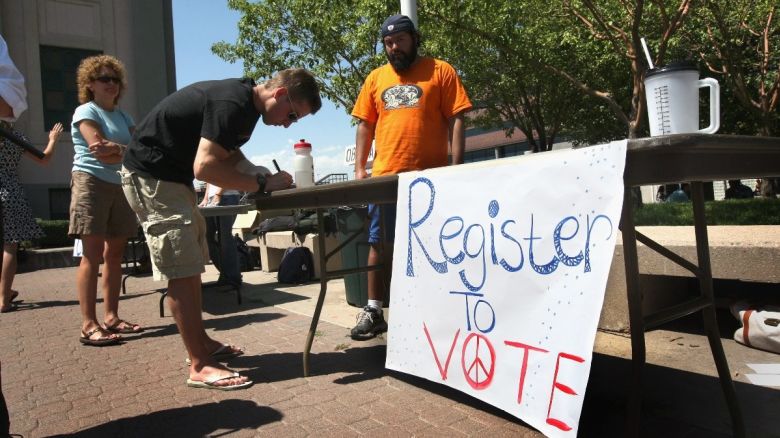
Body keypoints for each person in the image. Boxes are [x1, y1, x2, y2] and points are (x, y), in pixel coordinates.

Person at [121, 68, 321, 390]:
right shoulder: (233, 104)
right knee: (182, 269)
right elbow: (206, 167)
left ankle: (200, 343)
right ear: (281, 94)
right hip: (154, 178)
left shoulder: (243, 104)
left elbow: (228, 152)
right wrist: (261, 181)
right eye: (293, 115)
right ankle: (200, 364)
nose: (289, 124)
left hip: (169, 179)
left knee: (191, 266)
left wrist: (254, 170)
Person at [350, 14, 472, 340]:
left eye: (400, 41)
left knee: (434, 244)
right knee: (379, 242)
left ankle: (434, 309)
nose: (394, 48)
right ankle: (374, 309)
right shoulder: (376, 78)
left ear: (414, 38)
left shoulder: (440, 71)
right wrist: (361, 169)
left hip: (430, 180)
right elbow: (365, 125)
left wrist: (456, 167)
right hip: (385, 178)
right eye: (388, 43)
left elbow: (458, 118)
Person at [69, 55, 143, 345]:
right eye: (104, 79)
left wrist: (118, 149)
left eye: (115, 79)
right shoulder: (85, 111)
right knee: (92, 254)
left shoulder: (124, 117)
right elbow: (98, 150)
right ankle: (89, 324)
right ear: (90, 84)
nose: (111, 84)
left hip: (120, 183)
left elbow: (138, 152)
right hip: (91, 182)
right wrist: (118, 150)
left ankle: (111, 317)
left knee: (115, 254)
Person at [0, 36, 63, 314]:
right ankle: (3, 297)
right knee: (9, 246)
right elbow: (45, 160)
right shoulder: (13, 136)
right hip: (8, 190)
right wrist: (53, 139)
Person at [199, 182, 243, 287]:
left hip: (227, 196)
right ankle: (226, 273)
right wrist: (206, 198)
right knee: (207, 237)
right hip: (211, 198)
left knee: (225, 237)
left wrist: (218, 194)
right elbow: (209, 179)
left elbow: (227, 175)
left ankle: (232, 278)